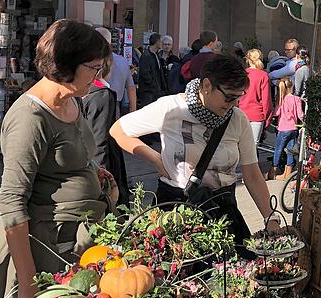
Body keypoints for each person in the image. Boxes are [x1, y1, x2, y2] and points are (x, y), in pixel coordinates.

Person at [0, 19, 113, 298]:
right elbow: (11, 201)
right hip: (43, 248)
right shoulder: (28, 117)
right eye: (93, 68)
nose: (98, 77)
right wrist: (27, 282)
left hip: (75, 242)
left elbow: (69, 157)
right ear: (66, 64)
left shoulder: (73, 102)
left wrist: (91, 173)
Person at [110, 55, 280, 239]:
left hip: (222, 211)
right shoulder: (171, 108)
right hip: (174, 210)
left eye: (239, 97)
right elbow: (119, 130)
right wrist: (156, 159)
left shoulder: (238, 119)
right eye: (230, 97)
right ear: (207, 86)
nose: (235, 104)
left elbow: (252, 173)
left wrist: (269, 217)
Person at [82, 55, 129, 207]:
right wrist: (102, 173)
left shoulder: (86, 92)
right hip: (103, 157)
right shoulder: (102, 95)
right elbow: (99, 137)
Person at [95, 27, 136, 114]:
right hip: (115, 106)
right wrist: (133, 112)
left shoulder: (91, 60)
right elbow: (131, 88)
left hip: (94, 103)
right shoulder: (123, 61)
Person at [271, 77, 304, 181]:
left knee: (278, 149)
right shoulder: (297, 99)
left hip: (283, 128)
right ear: (292, 86)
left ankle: (274, 170)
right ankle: (288, 172)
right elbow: (300, 115)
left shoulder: (281, 99)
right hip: (293, 129)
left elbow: (276, 113)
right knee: (290, 150)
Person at [239, 49, 272, 148]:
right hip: (257, 114)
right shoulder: (263, 76)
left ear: (248, 59)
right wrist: (267, 117)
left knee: (239, 144)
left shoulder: (242, 74)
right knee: (252, 146)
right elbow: (266, 100)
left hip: (241, 111)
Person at [137, 33, 167, 108]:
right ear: (156, 42)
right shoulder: (146, 56)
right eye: (160, 41)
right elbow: (145, 73)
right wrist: (153, 85)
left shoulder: (156, 55)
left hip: (156, 91)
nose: (162, 43)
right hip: (148, 92)